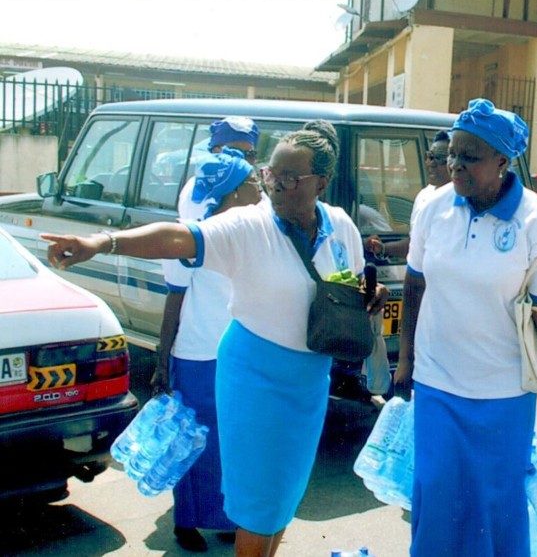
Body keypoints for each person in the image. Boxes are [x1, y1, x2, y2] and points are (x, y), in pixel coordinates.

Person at [42, 120, 388, 557]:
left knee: (284, 492)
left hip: (309, 381)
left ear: (321, 181)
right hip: (254, 376)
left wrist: (370, 293)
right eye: (270, 174)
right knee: (255, 498)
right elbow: (178, 237)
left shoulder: (340, 226)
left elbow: (347, 283)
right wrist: (101, 242)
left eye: (289, 178)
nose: (275, 186)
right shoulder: (249, 225)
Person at [395, 98, 537, 557]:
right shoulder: (434, 208)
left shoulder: (536, 219)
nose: (455, 165)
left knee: (494, 503)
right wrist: (405, 359)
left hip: (504, 392)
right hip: (438, 383)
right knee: (437, 494)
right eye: (452, 154)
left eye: (470, 156)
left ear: (502, 161)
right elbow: (414, 285)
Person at [152, 116, 261, 552]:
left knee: (233, 439)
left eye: (248, 153)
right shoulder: (191, 225)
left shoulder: (255, 223)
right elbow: (175, 295)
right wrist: (162, 358)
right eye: (229, 151)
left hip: (240, 346)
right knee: (194, 439)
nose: (241, 160)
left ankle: (226, 516)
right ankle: (186, 521)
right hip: (198, 349)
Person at [365, 130, 451, 259]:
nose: (431, 163)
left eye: (440, 158)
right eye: (430, 156)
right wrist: (383, 248)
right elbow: (416, 244)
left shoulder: (465, 202)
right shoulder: (424, 196)